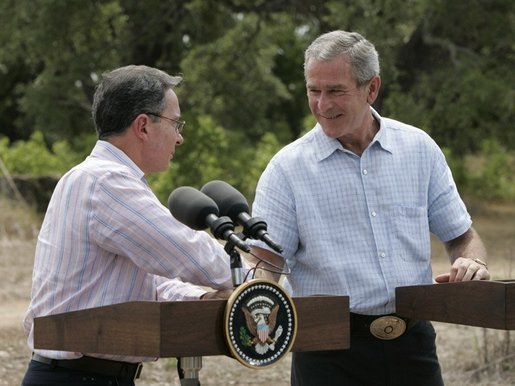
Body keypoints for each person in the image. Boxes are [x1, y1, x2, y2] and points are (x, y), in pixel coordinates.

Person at [249, 30, 490, 386]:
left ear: (371, 88)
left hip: (414, 345)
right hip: (325, 353)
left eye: (335, 91)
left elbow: (462, 236)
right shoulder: (286, 169)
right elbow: (264, 263)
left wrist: (474, 261)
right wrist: (256, 306)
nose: (322, 104)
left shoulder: (419, 149)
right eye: (313, 91)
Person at [21, 65, 240, 386]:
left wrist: (202, 300)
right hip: (78, 377)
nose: (179, 137)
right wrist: (253, 280)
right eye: (175, 123)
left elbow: (146, 282)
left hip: (86, 375)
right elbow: (182, 250)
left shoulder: (96, 178)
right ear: (143, 126)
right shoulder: (107, 181)